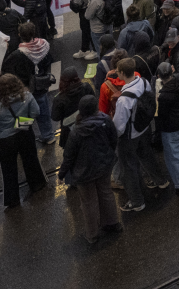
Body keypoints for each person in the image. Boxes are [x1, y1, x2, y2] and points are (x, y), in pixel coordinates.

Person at [60, 94, 122, 246]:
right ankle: (112, 223)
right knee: (106, 193)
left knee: (88, 202)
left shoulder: (76, 130)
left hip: (84, 172)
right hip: (104, 165)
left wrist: (62, 173)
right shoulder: (105, 120)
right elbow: (113, 139)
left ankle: (92, 234)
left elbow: (69, 155)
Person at [0, 73, 48, 209]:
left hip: (6, 140)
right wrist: (22, 123)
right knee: (31, 160)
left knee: (8, 170)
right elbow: (36, 112)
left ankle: (12, 199)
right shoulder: (27, 96)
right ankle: (37, 184)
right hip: (24, 133)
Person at [111, 58, 158, 213]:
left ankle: (137, 202)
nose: (116, 72)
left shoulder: (124, 99)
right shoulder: (143, 82)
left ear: (123, 73)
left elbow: (119, 126)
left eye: (118, 71)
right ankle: (159, 180)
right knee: (147, 156)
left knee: (129, 169)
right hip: (144, 128)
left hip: (130, 136)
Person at [154, 60, 179, 195]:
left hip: (171, 128)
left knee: (173, 155)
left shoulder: (164, 95)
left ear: (159, 76)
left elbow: (162, 115)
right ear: (172, 71)